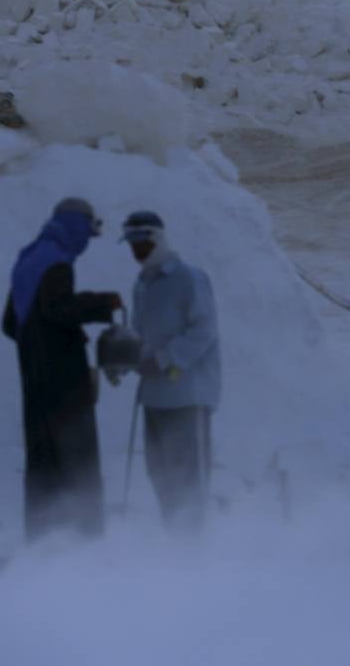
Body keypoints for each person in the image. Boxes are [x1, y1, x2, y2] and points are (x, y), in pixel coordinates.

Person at [2, 197, 122, 541]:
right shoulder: (57, 263)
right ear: (74, 226)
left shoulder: (27, 260)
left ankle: (43, 543)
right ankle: (83, 544)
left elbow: (10, 323)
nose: (86, 242)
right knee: (75, 460)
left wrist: (39, 343)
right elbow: (59, 308)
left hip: (34, 383)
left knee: (43, 463)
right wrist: (103, 303)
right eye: (86, 232)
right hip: (64, 385)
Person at [122, 210, 222, 532]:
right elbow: (142, 334)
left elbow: (204, 331)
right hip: (153, 397)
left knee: (188, 477)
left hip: (187, 396)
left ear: (158, 240)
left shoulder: (189, 278)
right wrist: (127, 356)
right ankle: (174, 542)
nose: (137, 251)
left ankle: (193, 545)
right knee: (160, 473)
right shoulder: (142, 284)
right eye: (132, 245)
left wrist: (164, 360)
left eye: (142, 243)